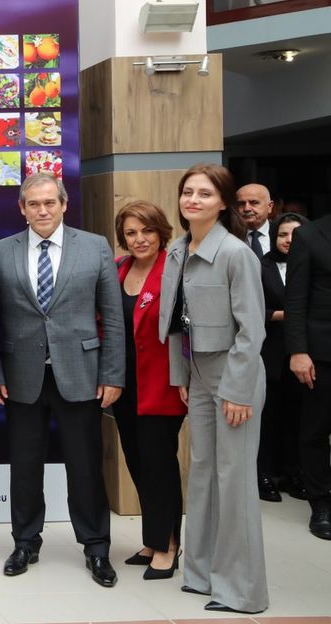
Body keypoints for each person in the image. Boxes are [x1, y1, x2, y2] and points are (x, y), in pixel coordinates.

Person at [0, 171, 124, 587]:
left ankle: (96, 547)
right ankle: (25, 542)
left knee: (85, 466)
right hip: (21, 376)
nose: (42, 210)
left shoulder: (95, 247)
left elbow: (112, 317)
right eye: (34, 204)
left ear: (64, 204)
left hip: (81, 373)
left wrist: (113, 374)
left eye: (50, 202)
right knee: (24, 467)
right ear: (22, 209)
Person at [159, 163, 268, 614]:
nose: (193, 200)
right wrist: (182, 377)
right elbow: (175, 323)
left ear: (223, 203)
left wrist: (239, 390)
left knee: (234, 480)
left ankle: (242, 592)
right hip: (198, 375)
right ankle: (201, 575)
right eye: (188, 192)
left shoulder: (236, 254)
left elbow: (252, 330)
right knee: (202, 473)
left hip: (233, 375)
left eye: (204, 194)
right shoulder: (178, 249)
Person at [110, 201, 186, 580]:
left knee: (159, 464)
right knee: (137, 461)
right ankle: (152, 538)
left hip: (163, 384)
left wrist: (187, 376)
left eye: (147, 230)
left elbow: (188, 328)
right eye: (131, 232)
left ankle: (168, 544)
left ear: (161, 232)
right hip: (125, 385)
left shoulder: (175, 270)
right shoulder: (118, 269)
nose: (140, 239)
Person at [258, 212, 311, 502]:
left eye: (296, 235)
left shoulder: (315, 264)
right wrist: (283, 315)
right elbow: (251, 308)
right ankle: (264, 474)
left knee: (299, 418)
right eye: (282, 234)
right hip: (270, 354)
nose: (289, 240)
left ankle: (295, 474)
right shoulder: (260, 265)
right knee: (268, 418)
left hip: (305, 354)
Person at [286, 206, 331, 541]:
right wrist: (298, 351)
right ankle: (321, 504)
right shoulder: (310, 235)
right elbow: (295, 299)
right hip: (321, 351)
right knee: (316, 429)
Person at [236, 182, 274, 258]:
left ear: (270, 206)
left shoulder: (283, 234)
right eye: (241, 204)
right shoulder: (229, 236)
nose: (247, 209)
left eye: (254, 203)